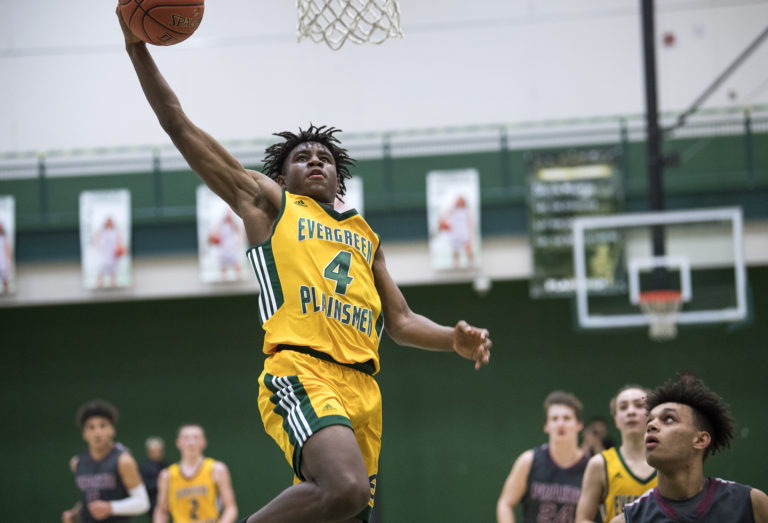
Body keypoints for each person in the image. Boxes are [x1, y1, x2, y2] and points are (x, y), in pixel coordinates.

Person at [117, 9, 492, 523]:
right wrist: (137, 47)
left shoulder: (365, 237)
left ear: (338, 178)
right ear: (282, 174)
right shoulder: (268, 205)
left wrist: (452, 337)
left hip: (364, 388)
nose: (315, 160)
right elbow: (178, 124)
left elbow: (401, 323)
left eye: (324, 157)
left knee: (347, 509)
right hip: (299, 369)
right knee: (345, 489)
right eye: (301, 157)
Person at [612, 374, 768, 522]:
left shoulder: (752, 504)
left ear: (700, 440)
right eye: (650, 421)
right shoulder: (628, 519)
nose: (651, 425)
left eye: (668, 419)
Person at [497, 391, 589, 523]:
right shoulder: (529, 460)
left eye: (567, 418)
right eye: (554, 419)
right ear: (546, 426)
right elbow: (505, 503)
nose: (560, 424)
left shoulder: (591, 466)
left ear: (579, 424)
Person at [575, 386, 657, 523]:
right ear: (615, 419)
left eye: (639, 405)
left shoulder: (669, 463)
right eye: (623, 407)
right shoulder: (600, 463)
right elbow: (582, 519)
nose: (631, 411)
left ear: (652, 415)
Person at [62, 399, 150, 523]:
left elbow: (143, 503)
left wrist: (111, 507)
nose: (97, 432)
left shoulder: (123, 461)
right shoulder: (77, 463)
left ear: (112, 430)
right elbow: (89, 497)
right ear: (84, 434)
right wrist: (75, 513)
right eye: (91, 427)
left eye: (103, 425)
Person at [153, 424, 238, 523]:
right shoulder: (167, 475)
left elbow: (231, 508)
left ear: (204, 442)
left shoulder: (216, 469)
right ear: (178, 443)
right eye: (186, 438)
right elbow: (161, 510)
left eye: (196, 438)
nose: (191, 442)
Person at [139, 437, 168, 520]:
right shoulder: (144, 468)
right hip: (152, 502)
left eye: (159, 450)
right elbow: (144, 486)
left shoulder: (166, 465)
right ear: (149, 452)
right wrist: (161, 482)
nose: (156, 453)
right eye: (154, 451)